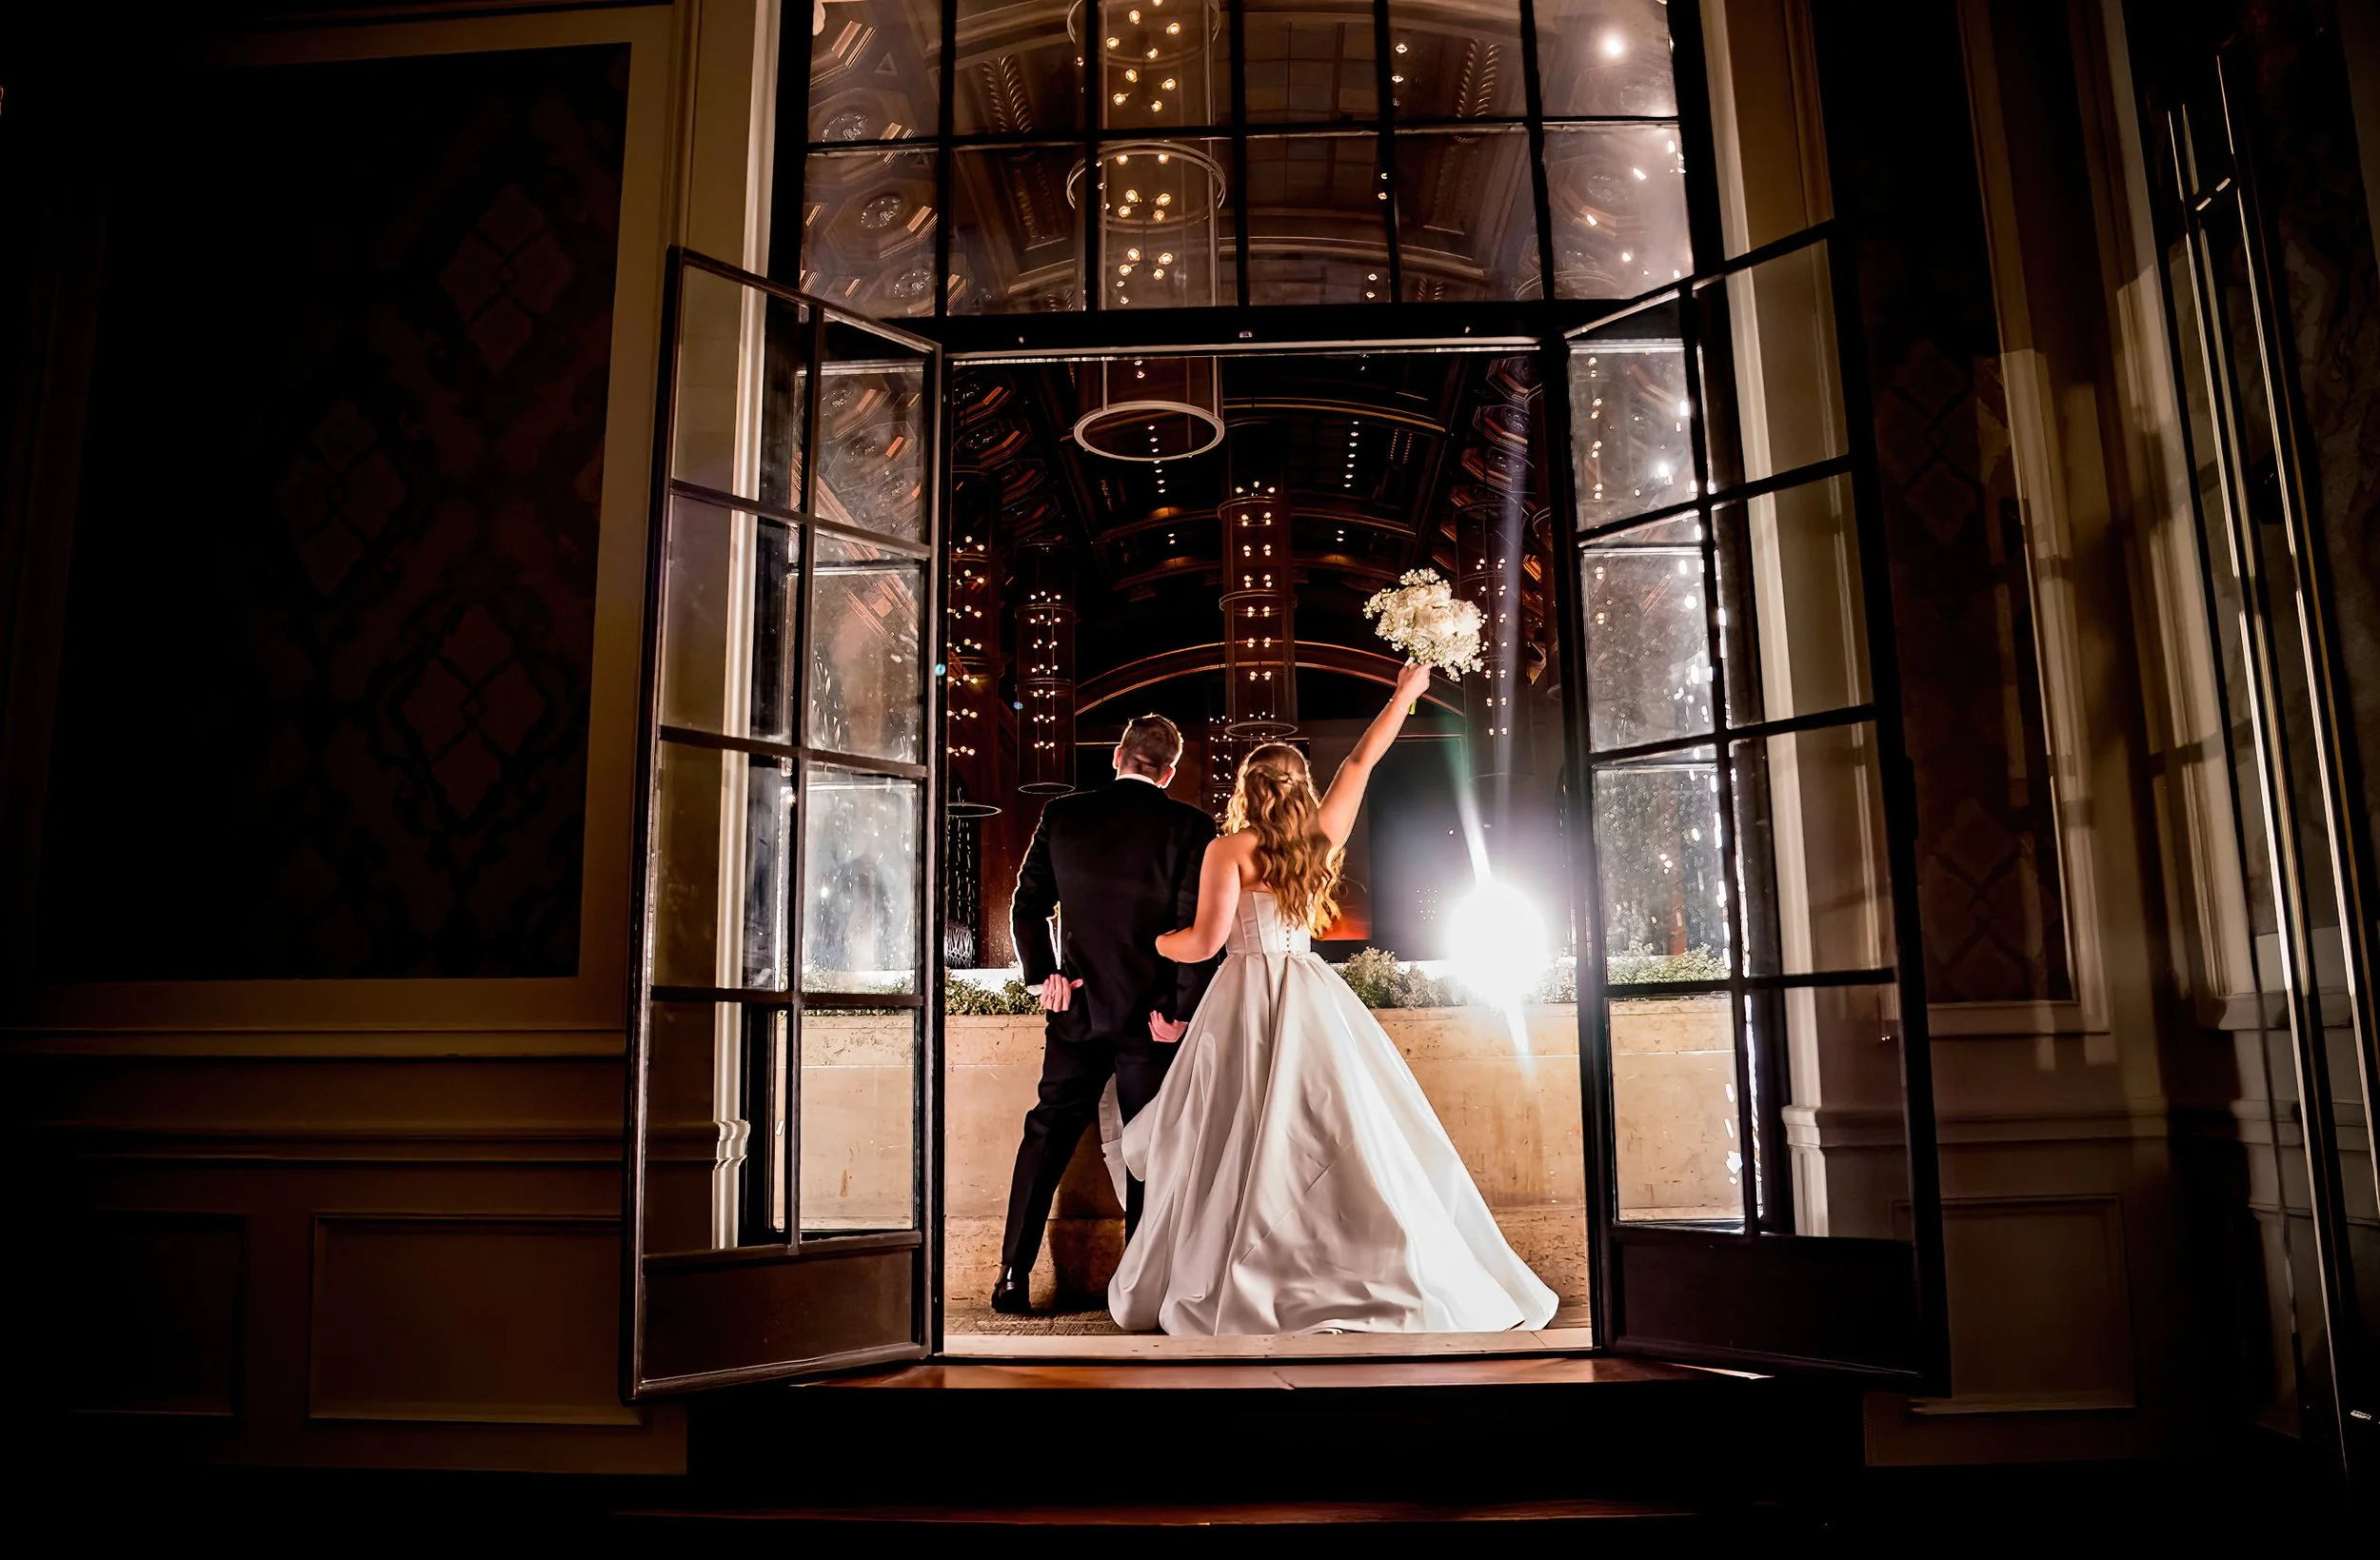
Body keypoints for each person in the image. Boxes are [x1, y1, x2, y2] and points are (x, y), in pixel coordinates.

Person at [1109, 663, 1558, 1334]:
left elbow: (1203, 944)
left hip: (1242, 1000)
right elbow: (1360, 760)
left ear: (1246, 790)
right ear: (1298, 790)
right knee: (1329, 1130)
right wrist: (1405, 693)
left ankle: (1245, 1261)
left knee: (1236, 1132)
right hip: (1308, 991)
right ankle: (1344, 1254)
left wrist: (1157, 941)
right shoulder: (1319, 840)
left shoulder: (1227, 848)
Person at [992, 714, 1220, 1315]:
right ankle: (1140, 1286)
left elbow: (1028, 905)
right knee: (1152, 1148)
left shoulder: (1063, 816)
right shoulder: (1192, 828)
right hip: (1152, 1020)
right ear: (1169, 771)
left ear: (1117, 756)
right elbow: (1196, 925)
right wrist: (1179, 1007)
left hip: (1079, 1010)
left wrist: (1046, 977)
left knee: (1044, 1136)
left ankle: (1012, 1275)